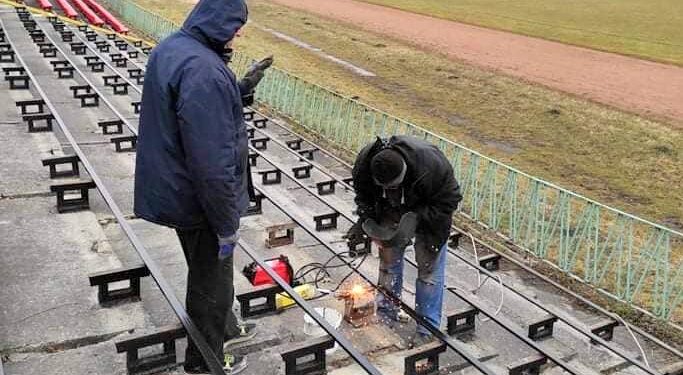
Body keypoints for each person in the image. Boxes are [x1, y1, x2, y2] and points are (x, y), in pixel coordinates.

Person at [134, 0, 272, 372]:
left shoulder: (176, 48)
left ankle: (226, 328)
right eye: (235, 24)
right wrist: (227, 224)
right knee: (211, 287)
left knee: (207, 275)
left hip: (176, 190)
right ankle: (206, 362)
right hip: (198, 201)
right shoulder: (204, 70)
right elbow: (212, 164)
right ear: (217, 21)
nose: (238, 32)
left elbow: (193, 111)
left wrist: (239, 89)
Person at [346, 135, 462, 346]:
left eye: (394, 187)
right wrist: (367, 219)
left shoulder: (432, 165)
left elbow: (449, 201)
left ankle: (427, 328)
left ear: (405, 173)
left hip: (429, 214)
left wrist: (417, 218)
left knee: (429, 273)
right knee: (389, 264)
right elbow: (363, 196)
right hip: (390, 210)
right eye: (385, 187)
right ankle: (386, 313)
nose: (390, 190)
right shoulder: (365, 164)